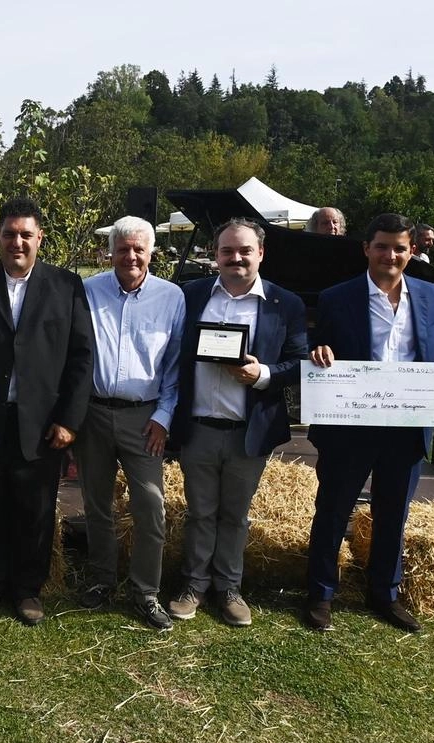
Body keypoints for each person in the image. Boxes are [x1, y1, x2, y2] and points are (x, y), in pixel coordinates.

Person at [303, 213, 434, 634]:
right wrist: (319, 352)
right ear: (366, 248)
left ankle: (385, 594)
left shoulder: (432, 295)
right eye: (382, 246)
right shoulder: (335, 297)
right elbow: (315, 345)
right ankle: (321, 594)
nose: (391, 255)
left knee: (393, 514)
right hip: (350, 424)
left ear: (411, 251)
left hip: (407, 422)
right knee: (333, 510)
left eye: (399, 247)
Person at [0, 196, 95, 627]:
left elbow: (82, 358)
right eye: (9, 234)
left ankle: (28, 590)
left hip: (43, 425)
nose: (17, 242)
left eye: (26, 234)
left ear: (40, 238)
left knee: (36, 511)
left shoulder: (66, 287)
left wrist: (69, 420)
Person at [168, 218, 307, 628]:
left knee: (235, 515)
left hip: (249, 431)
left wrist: (262, 374)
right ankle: (193, 586)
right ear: (215, 255)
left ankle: (229, 588)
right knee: (199, 513)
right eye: (227, 251)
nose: (236, 258)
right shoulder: (190, 295)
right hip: (199, 428)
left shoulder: (285, 303)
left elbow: (298, 360)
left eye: (245, 250)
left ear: (261, 253)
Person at [74, 216, 184, 630]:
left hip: (146, 418)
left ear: (151, 252)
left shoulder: (171, 297)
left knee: (150, 506)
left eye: (139, 249)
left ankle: (146, 592)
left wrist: (164, 417)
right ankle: (102, 580)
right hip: (94, 413)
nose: (131, 256)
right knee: (97, 504)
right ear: (111, 252)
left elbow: (174, 367)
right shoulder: (88, 291)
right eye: (123, 249)